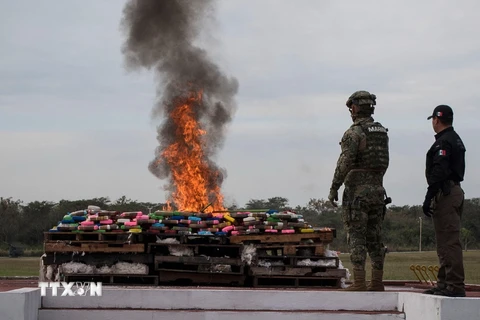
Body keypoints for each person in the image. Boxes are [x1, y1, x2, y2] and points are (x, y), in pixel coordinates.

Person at [328, 90, 389, 291]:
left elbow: (345, 162)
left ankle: (360, 282)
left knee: (356, 235)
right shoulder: (380, 132)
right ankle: (377, 282)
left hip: (357, 194)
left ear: (354, 108)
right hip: (378, 191)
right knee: (375, 237)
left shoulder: (354, 133)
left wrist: (334, 187)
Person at [422, 104, 466, 297]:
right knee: (444, 241)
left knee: (449, 241)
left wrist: (429, 195)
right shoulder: (453, 139)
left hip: (446, 193)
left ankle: (454, 285)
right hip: (451, 191)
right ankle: (444, 282)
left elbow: (440, 170)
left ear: (436, 120)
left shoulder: (444, 142)